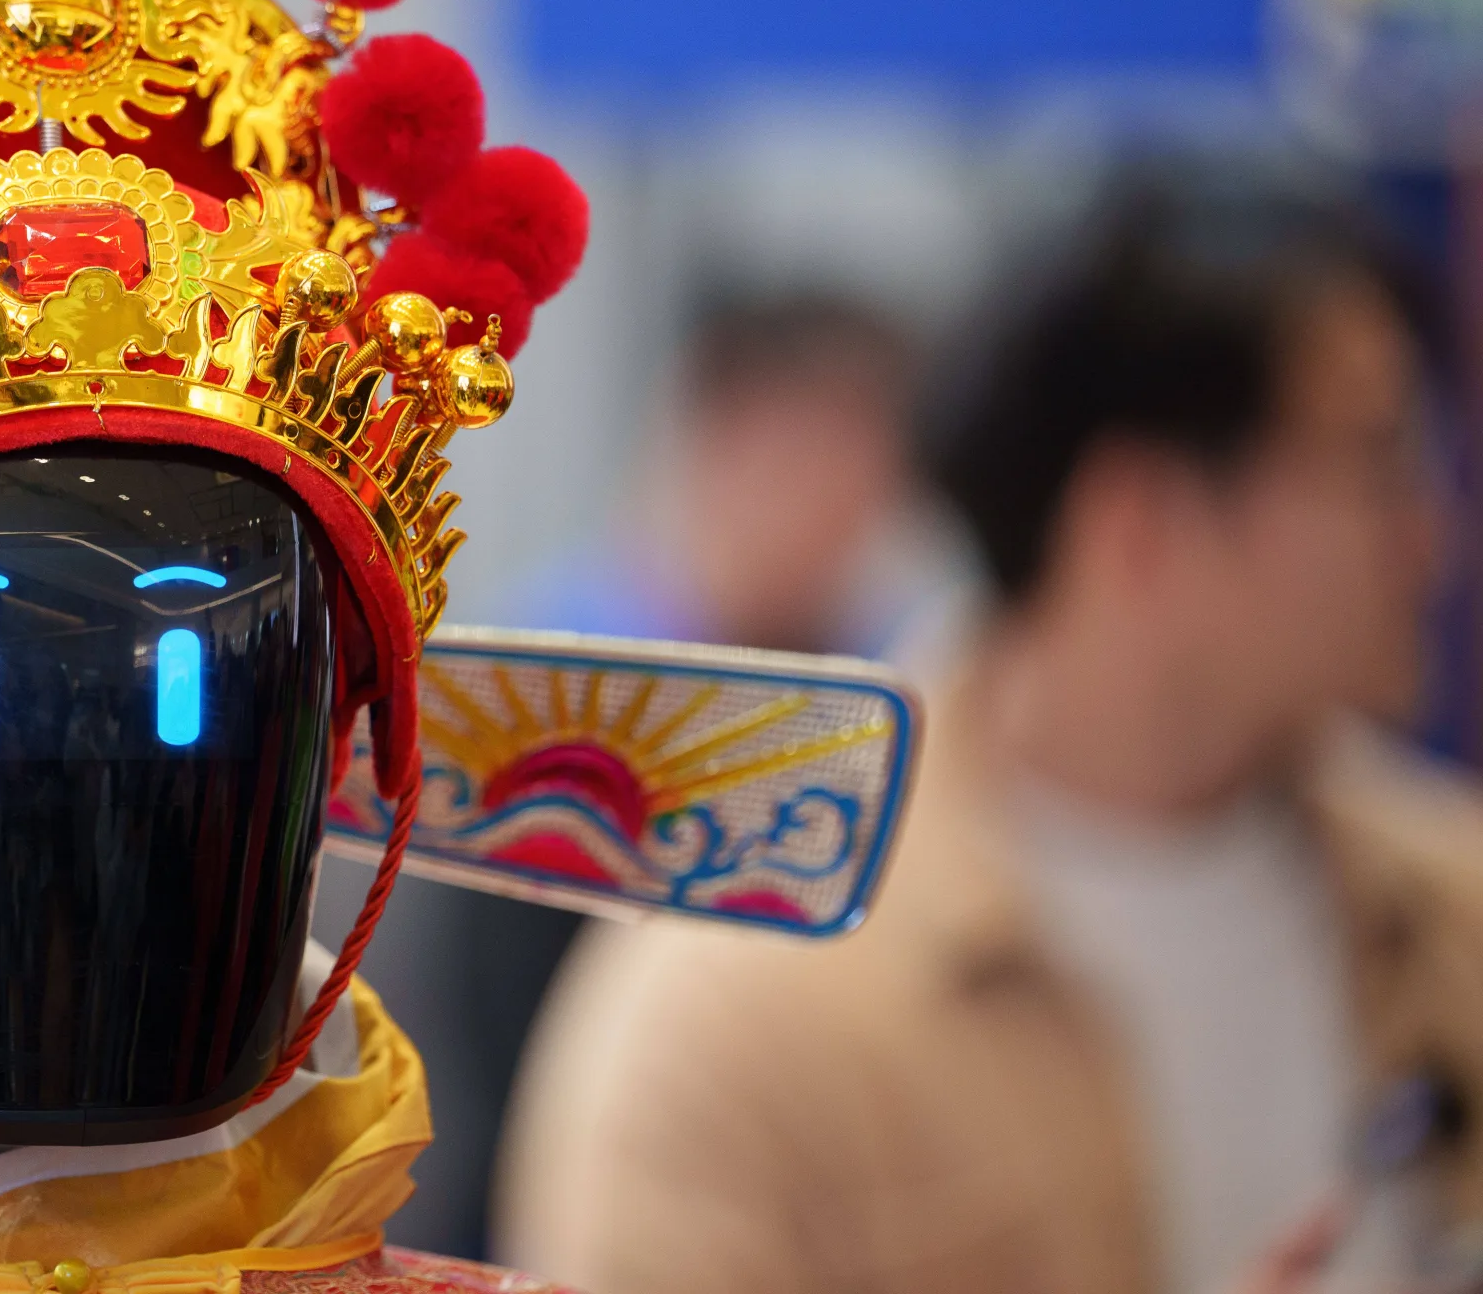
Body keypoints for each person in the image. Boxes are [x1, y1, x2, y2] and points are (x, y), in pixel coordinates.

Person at [497, 167, 1483, 1294]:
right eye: (1375, 462)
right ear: (1140, 519)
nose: (1434, 534)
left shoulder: (1450, 913)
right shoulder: (737, 1016)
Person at [505, 285, 920, 657]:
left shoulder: (901, 660)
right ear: (717, 445)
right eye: (794, 470)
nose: (821, 518)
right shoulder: (549, 653)